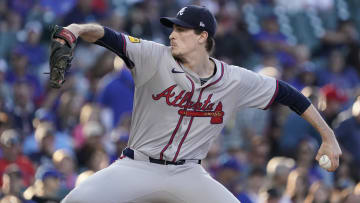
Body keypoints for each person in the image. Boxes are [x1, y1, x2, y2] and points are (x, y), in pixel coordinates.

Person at [55, 5, 341, 203]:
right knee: (76, 199)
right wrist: (77, 28)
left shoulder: (234, 79)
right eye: (173, 28)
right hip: (137, 166)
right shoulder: (153, 56)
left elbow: (289, 95)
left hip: (187, 172)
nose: (172, 34)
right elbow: (108, 36)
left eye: (182, 30)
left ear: (203, 37)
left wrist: (328, 135)